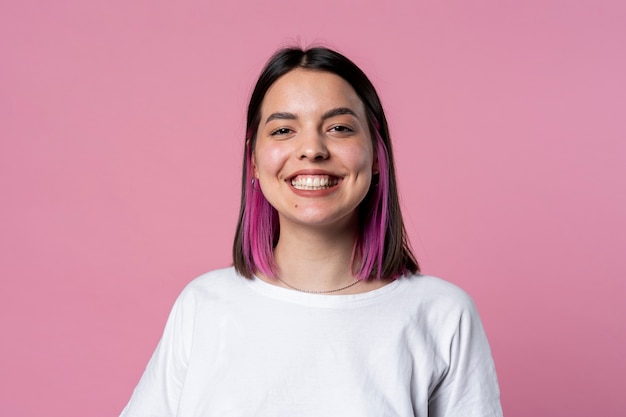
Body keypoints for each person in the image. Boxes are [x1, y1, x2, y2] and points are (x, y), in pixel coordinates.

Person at [120, 46, 503, 417]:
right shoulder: (203, 305)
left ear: (376, 156)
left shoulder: (443, 315)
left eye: (338, 127)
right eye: (284, 129)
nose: (312, 149)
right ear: (254, 160)